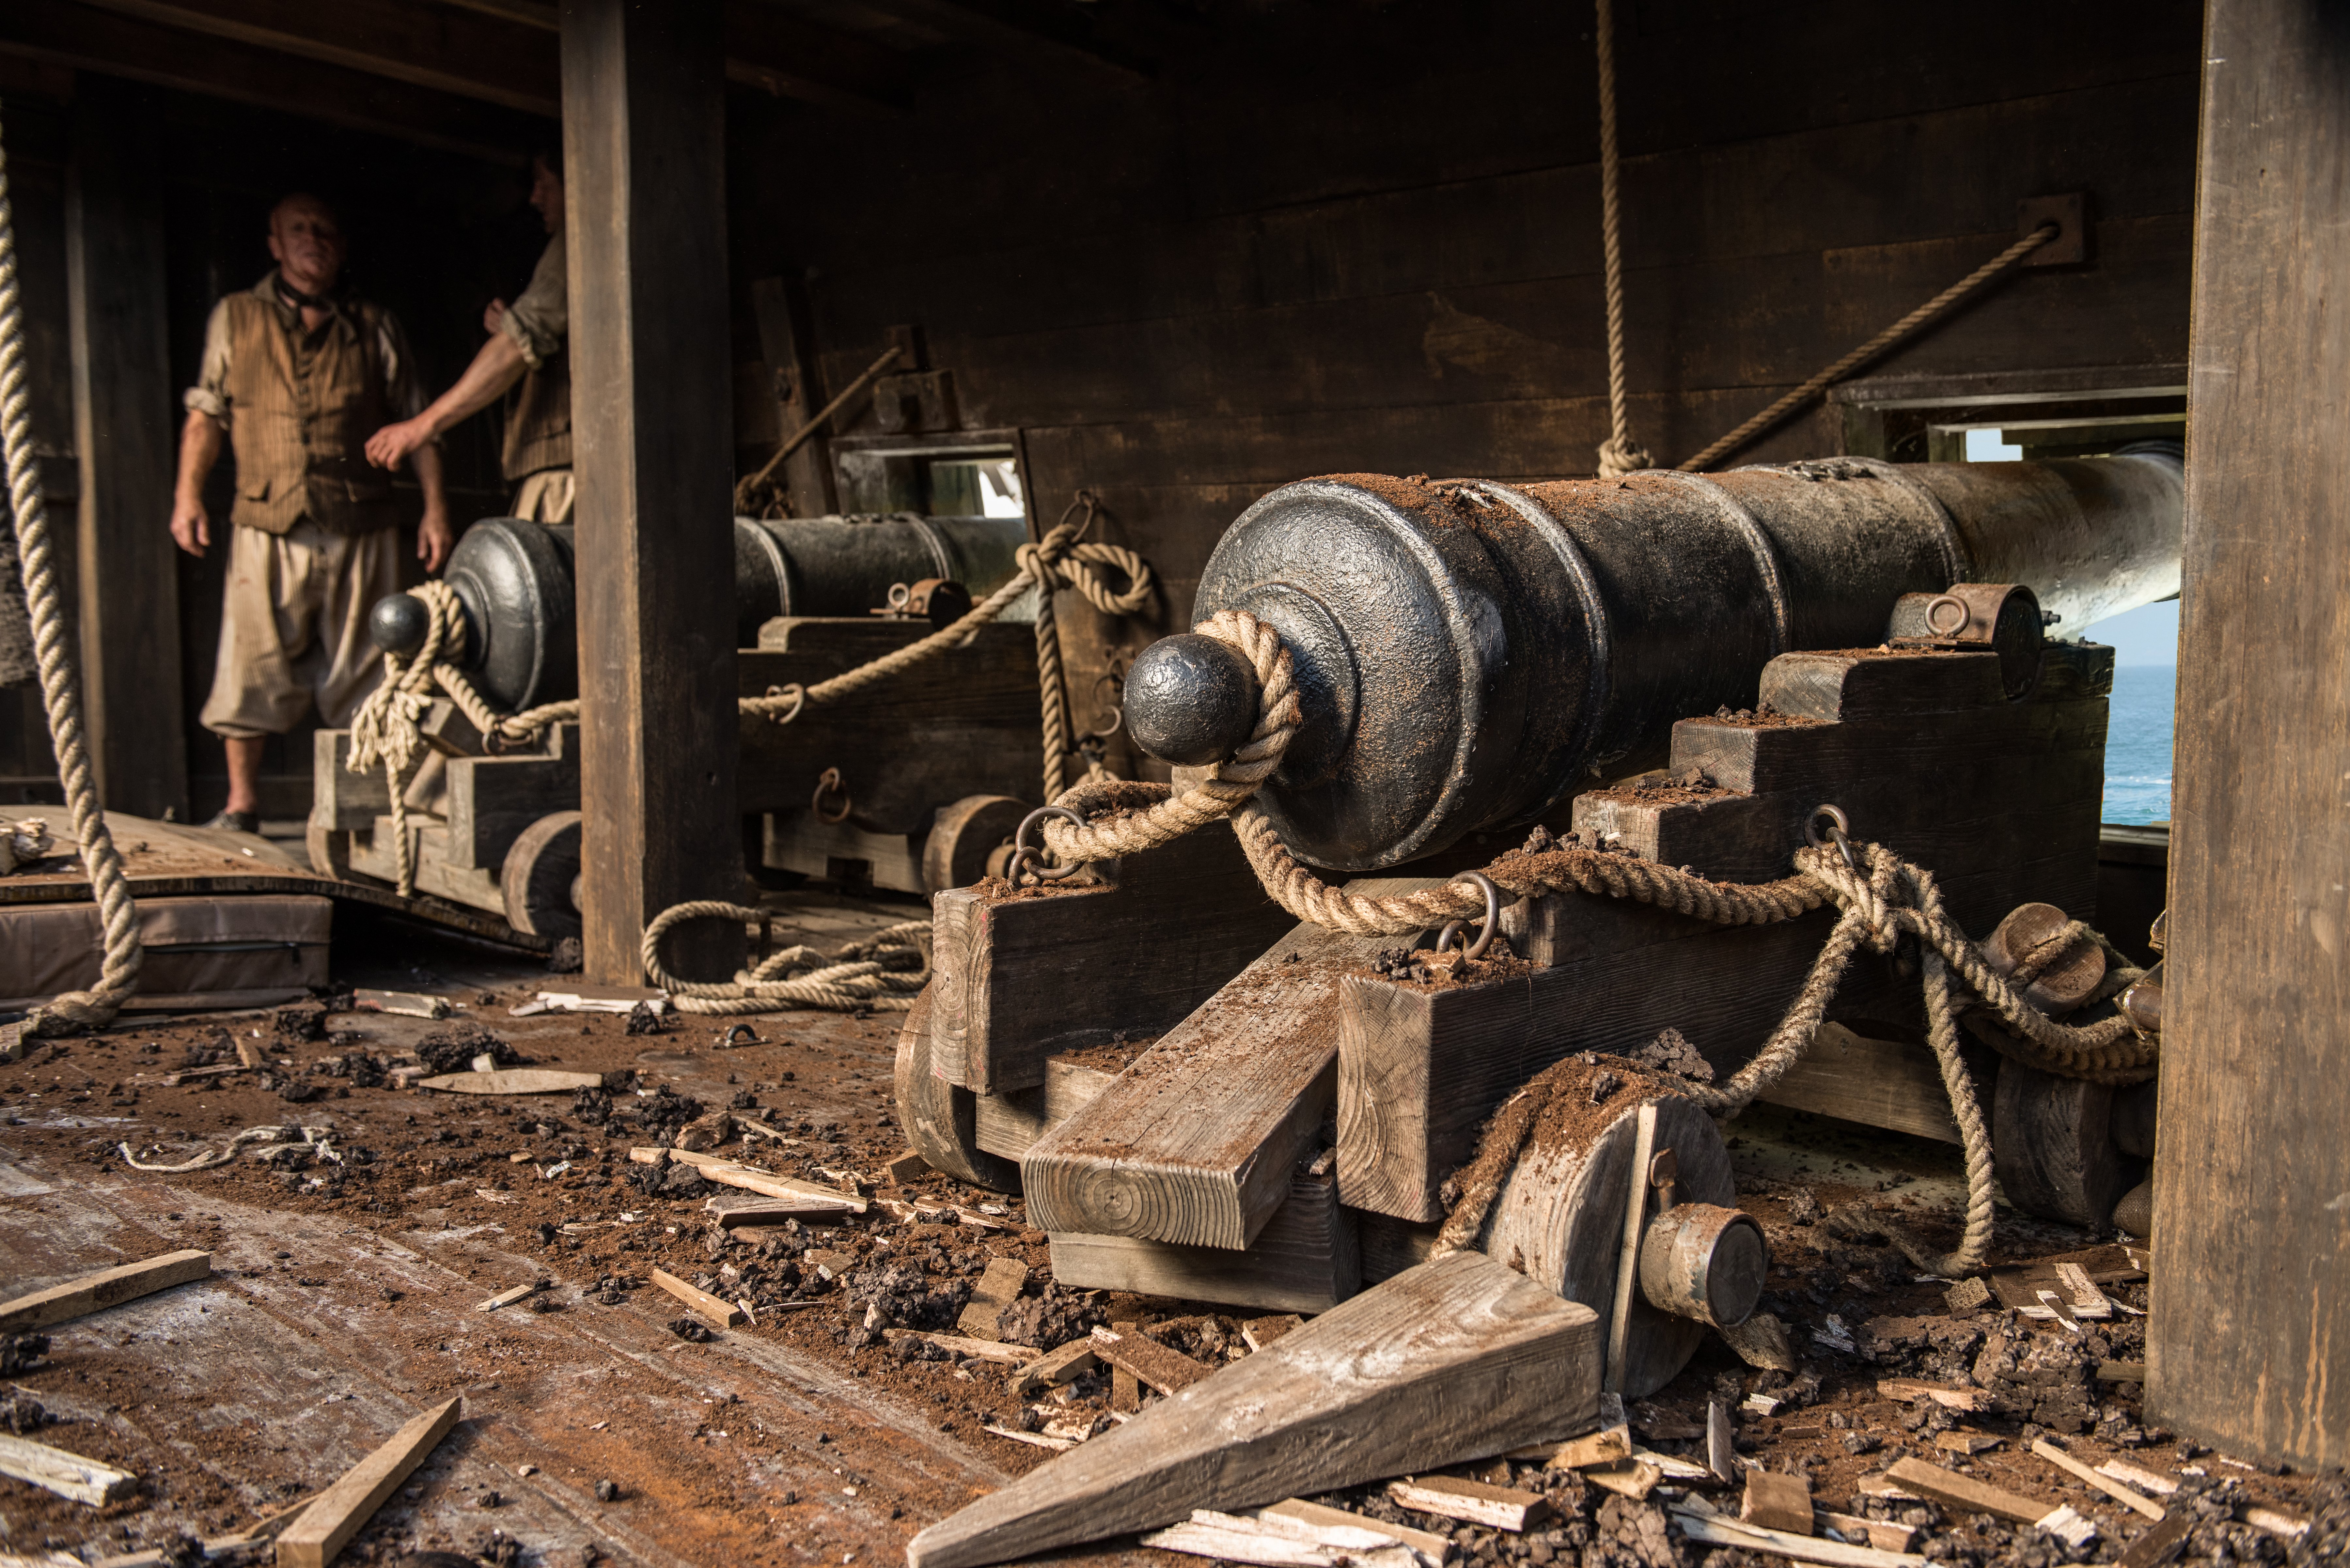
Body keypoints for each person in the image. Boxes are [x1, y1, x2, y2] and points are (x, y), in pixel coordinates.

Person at [171, 192, 451, 834]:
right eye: (298, 230)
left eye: (325, 230)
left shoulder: (375, 323)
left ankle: (360, 809)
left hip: (362, 521)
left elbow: (420, 421)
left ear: (342, 246)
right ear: (274, 243)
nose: (313, 240)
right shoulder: (236, 315)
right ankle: (242, 806)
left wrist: (436, 511)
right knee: (249, 665)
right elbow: (206, 412)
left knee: (370, 669)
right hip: (265, 519)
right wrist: (187, 495)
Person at [367, 148, 570, 522]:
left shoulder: (576, 241)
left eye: (545, 183)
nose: (535, 197)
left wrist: (420, 427)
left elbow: (515, 347)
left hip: (571, 474)